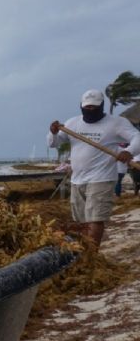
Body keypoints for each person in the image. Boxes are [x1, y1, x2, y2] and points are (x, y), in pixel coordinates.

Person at [48, 89, 140, 247]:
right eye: (87, 107)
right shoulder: (72, 123)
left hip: (101, 179)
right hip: (77, 179)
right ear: (81, 106)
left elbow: (137, 137)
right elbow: (53, 143)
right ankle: (84, 251)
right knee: (81, 221)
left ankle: (92, 255)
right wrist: (53, 133)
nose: (90, 110)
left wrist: (128, 152)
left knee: (95, 219)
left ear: (102, 105)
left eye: (94, 107)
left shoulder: (116, 123)